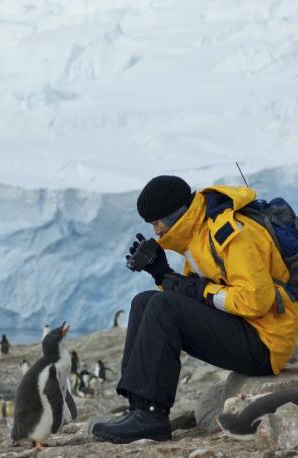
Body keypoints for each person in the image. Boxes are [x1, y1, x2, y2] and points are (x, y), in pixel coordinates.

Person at [92, 175, 298, 443]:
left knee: (163, 306)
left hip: (266, 341)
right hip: (246, 329)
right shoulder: (197, 236)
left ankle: (152, 416)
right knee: (144, 302)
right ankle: (138, 408)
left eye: (156, 222)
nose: (156, 232)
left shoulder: (229, 233)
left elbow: (255, 300)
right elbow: (195, 295)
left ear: (174, 214)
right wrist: (163, 275)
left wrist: (203, 291)